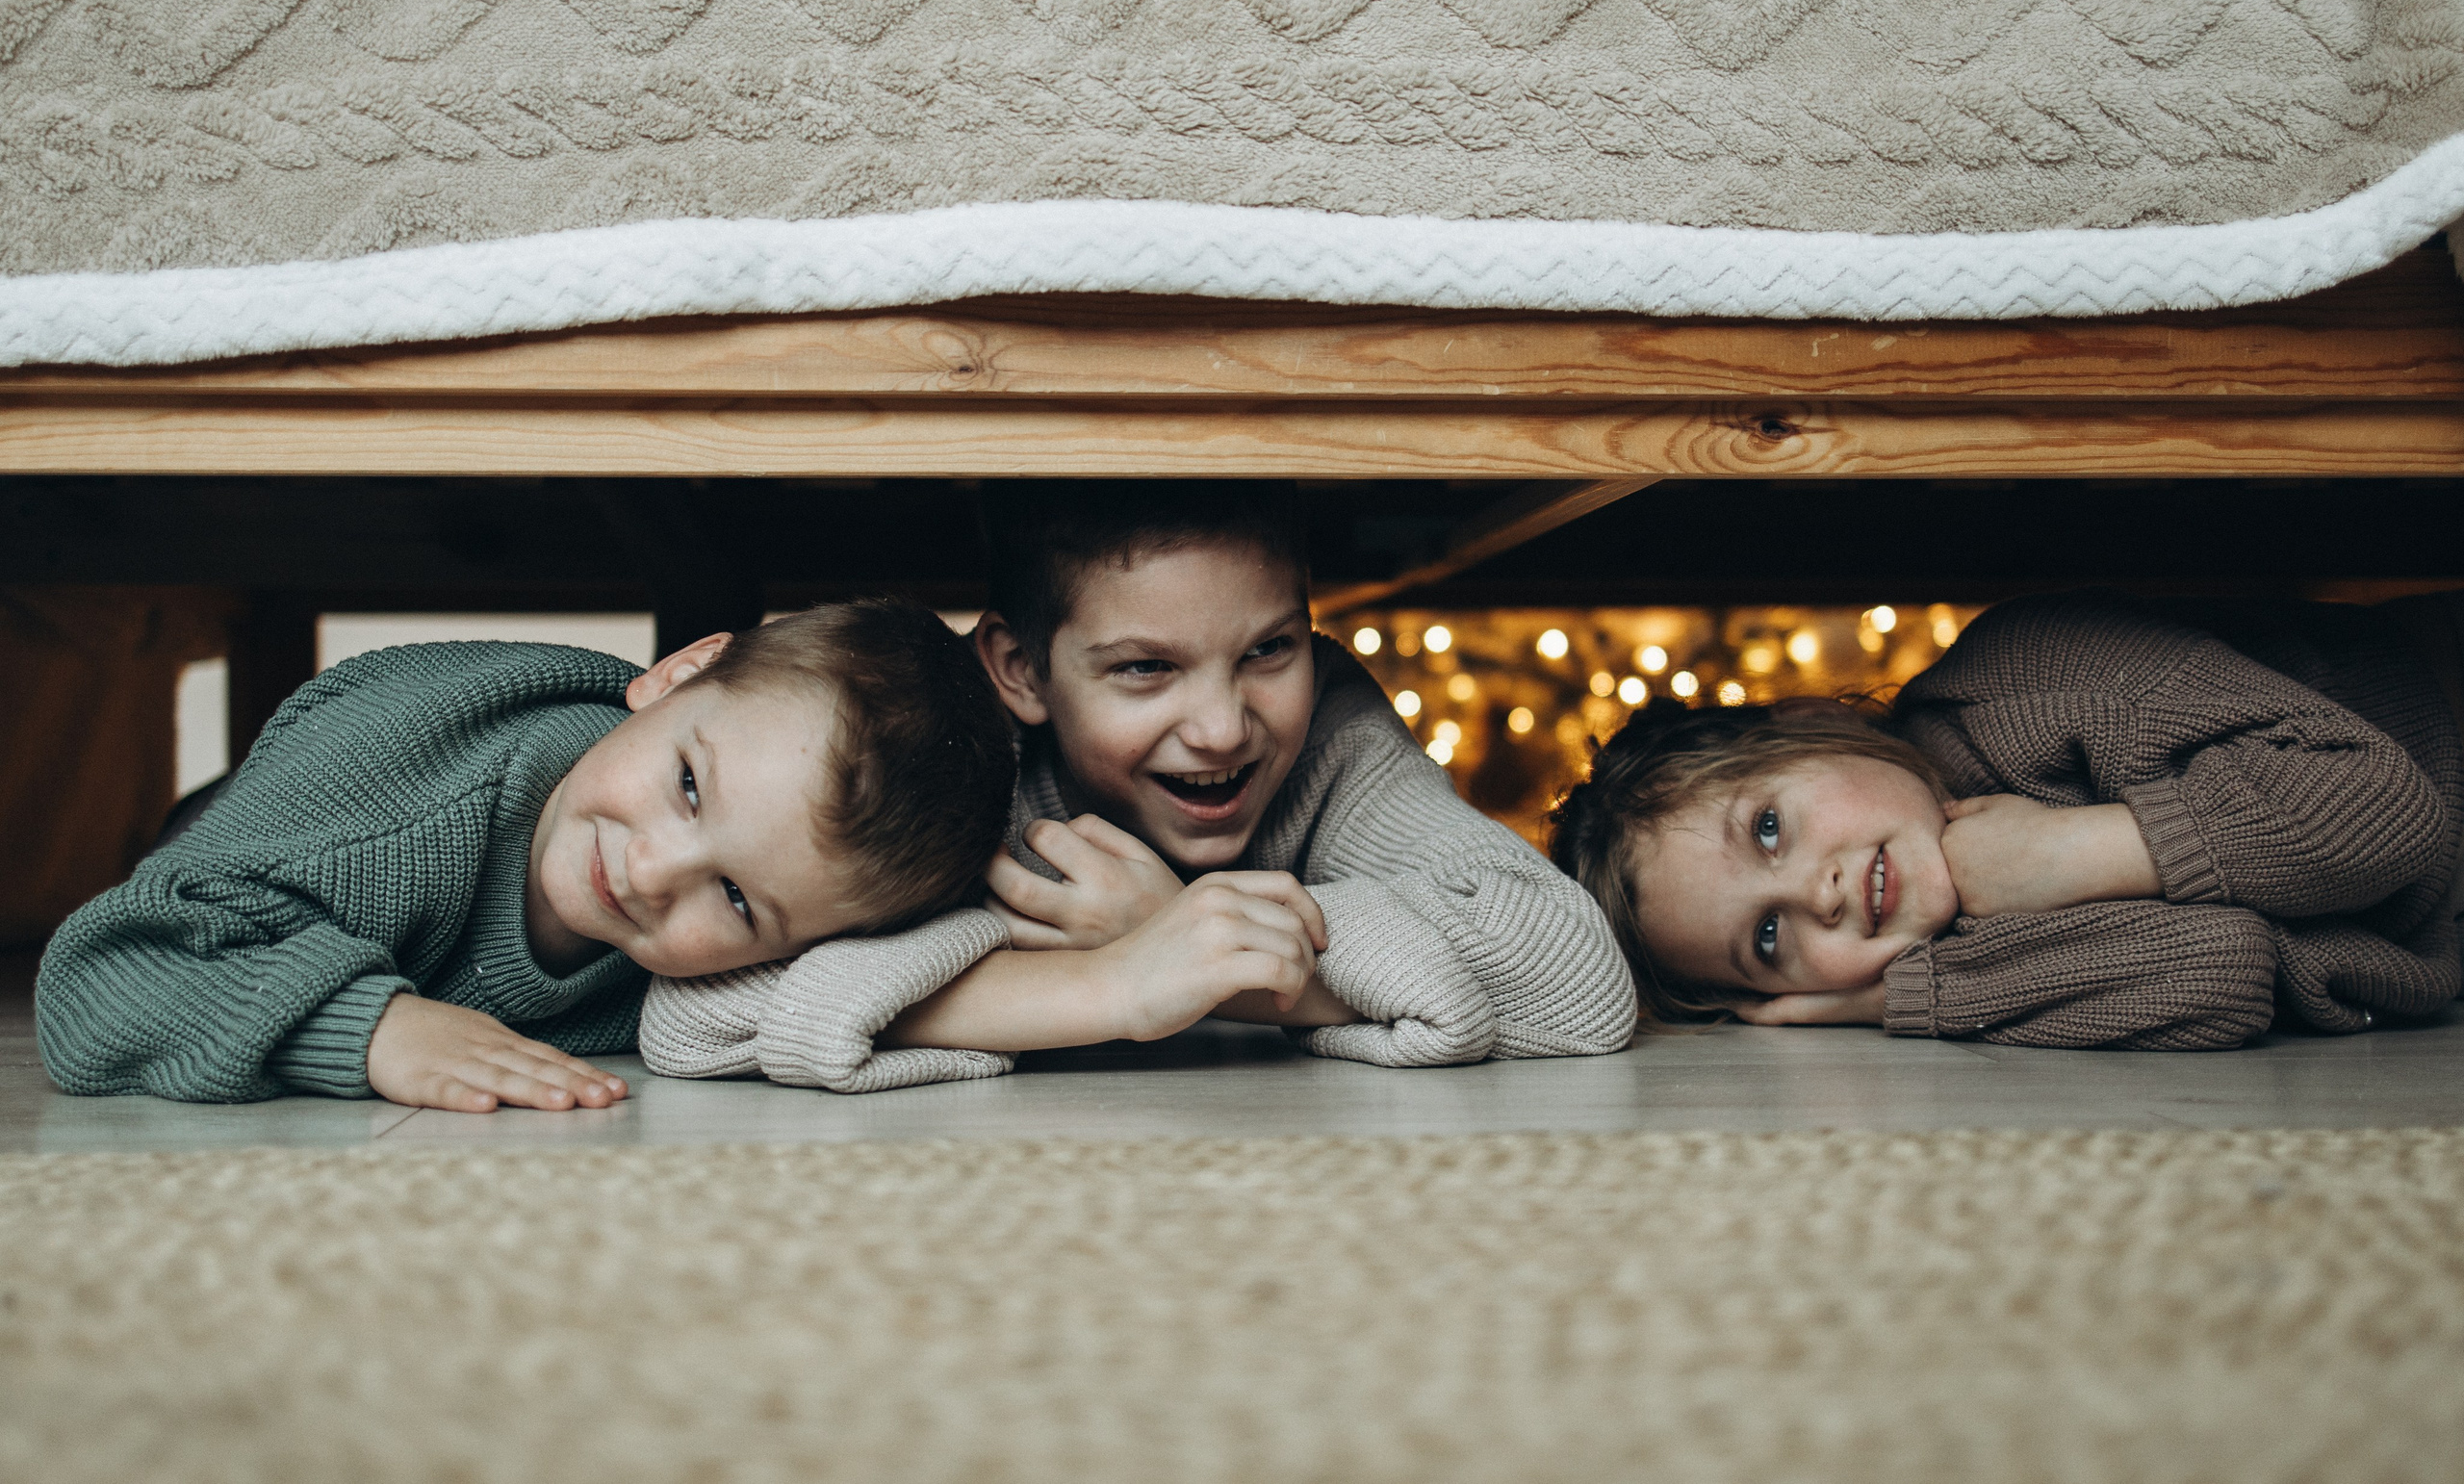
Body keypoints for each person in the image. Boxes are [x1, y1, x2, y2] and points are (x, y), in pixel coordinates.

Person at [640, 480, 1637, 1092]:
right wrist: (1117, 980)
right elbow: (696, 1014)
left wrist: (1199, 944)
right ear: (1020, 671)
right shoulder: (932, 750)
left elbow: (1575, 984)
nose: (1223, 727)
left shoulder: (1328, 731)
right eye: (1145, 669)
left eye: (1269, 650)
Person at [36, 600, 1017, 1108]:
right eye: (686, 786)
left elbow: (883, 984)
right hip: (241, 839)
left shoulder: (778, 901)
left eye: (733, 898)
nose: (650, 873)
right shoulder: (393, 799)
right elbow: (101, 976)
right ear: (679, 673)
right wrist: (376, 1030)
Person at [1548, 590, 2464, 1049]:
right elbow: (2227, 973)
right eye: (1768, 937)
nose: (1815, 897)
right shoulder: (1961, 954)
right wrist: (1902, 998)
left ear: (1816, 722)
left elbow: (2385, 808)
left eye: (1769, 829)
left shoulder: (2022, 674)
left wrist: (2075, 847)